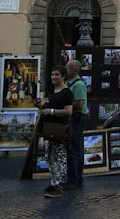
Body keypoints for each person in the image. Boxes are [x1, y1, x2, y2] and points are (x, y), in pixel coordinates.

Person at [40, 65, 74, 198]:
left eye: (57, 75)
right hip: (50, 129)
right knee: (51, 157)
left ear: (63, 76)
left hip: (59, 130)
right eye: (52, 74)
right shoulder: (53, 92)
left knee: (59, 158)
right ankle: (53, 182)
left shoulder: (66, 93)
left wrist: (51, 111)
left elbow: (68, 111)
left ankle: (58, 185)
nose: (53, 77)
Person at [64, 60, 88, 191]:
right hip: (73, 118)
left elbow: (79, 103)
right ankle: (75, 178)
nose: (65, 69)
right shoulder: (69, 83)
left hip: (77, 118)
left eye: (67, 67)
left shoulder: (78, 85)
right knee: (74, 148)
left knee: (74, 149)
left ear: (74, 70)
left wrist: (65, 104)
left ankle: (75, 179)